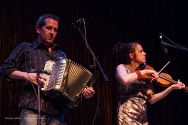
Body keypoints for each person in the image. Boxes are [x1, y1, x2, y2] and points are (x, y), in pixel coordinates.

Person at [1, 14, 95, 125]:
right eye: (48, 28)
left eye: (55, 30)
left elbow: (68, 91)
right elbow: (5, 68)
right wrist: (27, 76)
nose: (52, 32)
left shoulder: (61, 55)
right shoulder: (26, 47)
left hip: (56, 113)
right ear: (38, 29)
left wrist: (81, 92)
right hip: (32, 107)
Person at [114, 41, 185, 125]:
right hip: (127, 117)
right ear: (131, 55)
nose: (144, 53)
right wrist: (145, 71)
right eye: (140, 51)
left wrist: (171, 87)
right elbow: (125, 79)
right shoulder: (122, 67)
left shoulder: (146, 77)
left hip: (143, 120)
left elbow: (152, 100)